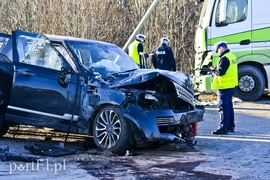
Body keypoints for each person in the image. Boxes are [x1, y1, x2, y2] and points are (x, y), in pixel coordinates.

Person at [211, 41, 238, 135]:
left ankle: (223, 128)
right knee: (229, 107)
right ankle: (231, 126)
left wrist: (213, 71)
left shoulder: (224, 58)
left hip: (224, 86)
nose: (218, 52)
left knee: (223, 107)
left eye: (217, 50)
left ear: (221, 48)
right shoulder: (232, 56)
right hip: (231, 85)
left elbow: (221, 72)